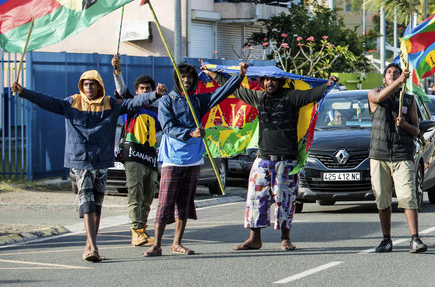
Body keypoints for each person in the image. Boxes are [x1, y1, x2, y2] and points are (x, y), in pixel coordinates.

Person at [13, 71, 165, 262]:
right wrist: (23, 92)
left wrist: (155, 95)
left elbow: (132, 103)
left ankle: (89, 246)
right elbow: (47, 101)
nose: (89, 88)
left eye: (92, 84)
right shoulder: (72, 102)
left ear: (99, 86)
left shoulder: (109, 103)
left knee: (98, 204)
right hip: (81, 160)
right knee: (87, 201)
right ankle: (93, 246)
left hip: (101, 160)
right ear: (81, 86)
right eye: (85, 84)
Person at [225, 66, 336, 252]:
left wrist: (328, 84)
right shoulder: (259, 98)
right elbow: (236, 89)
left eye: (273, 79)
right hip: (262, 159)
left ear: (281, 81)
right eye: (266, 79)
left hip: (287, 161)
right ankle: (254, 238)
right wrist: (214, 75)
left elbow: (311, 95)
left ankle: (285, 238)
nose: (269, 82)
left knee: (285, 200)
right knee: (255, 199)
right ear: (261, 82)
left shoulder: (292, 97)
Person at [145, 62, 243, 258]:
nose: (187, 80)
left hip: (194, 159)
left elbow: (223, 92)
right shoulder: (167, 101)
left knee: (185, 202)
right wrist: (191, 132)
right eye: (183, 77)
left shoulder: (199, 101)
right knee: (165, 202)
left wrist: (239, 76)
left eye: (190, 77)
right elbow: (167, 128)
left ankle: (177, 243)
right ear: (177, 79)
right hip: (172, 159)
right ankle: (156, 244)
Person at [367, 63, 426, 253]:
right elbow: (378, 97)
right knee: (382, 198)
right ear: (384, 79)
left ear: (403, 78)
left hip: (402, 154)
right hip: (379, 154)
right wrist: (398, 82)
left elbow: (416, 129)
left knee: (408, 196)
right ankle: (386, 239)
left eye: (397, 73)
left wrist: (405, 125)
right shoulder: (375, 95)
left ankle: (415, 239)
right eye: (389, 73)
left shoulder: (408, 100)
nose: (392, 75)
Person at [111, 54, 161, 247]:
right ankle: (136, 231)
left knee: (148, 195)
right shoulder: (130, 105)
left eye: (148, 89)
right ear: (136, 91)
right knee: (135, 192)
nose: (145, 92)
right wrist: (117, 71)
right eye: (141, 89)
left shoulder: (156, 110)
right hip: (133, 155)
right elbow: (120, 89)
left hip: (150, 156)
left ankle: (143, 230)